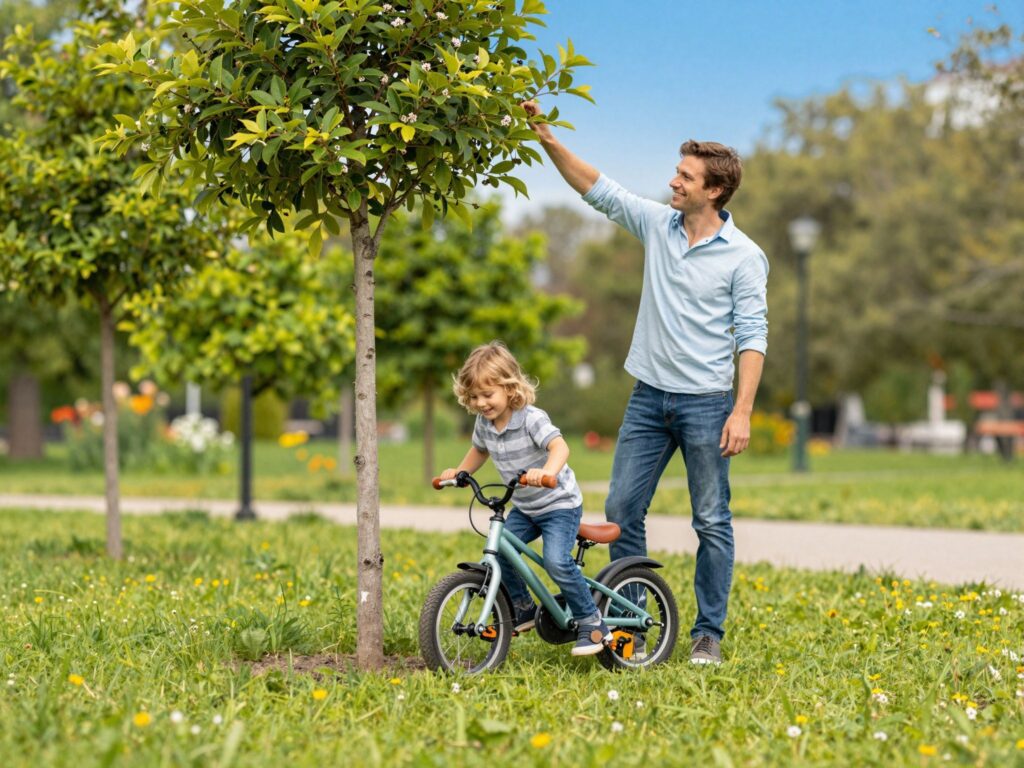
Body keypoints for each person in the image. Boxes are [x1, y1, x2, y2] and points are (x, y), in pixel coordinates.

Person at [522, 101, 769, 665]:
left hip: (708, 404)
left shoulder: (745, 258)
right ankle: (631, 616)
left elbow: (752, 337)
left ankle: (709, 632)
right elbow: (599, 189)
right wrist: (546, 137)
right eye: (677, 172)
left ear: (715, 191)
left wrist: (743, 410)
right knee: (621, 509)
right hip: (647, 398)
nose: (672, 182)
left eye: (685, 177)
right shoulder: (658, 224)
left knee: (710, 518)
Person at [439, 341, 612, 656]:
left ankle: (592, 621)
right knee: (501, 551)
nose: (481, 403)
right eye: (474, 396)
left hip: (558, 504)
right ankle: (523, 610)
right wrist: (459, 473)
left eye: (488, 395)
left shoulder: (531, 417)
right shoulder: (484, 423)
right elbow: (479, 450)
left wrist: (546, 471)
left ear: (509, 388)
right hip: (527, 507)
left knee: (556, 560)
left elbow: (560, 447)